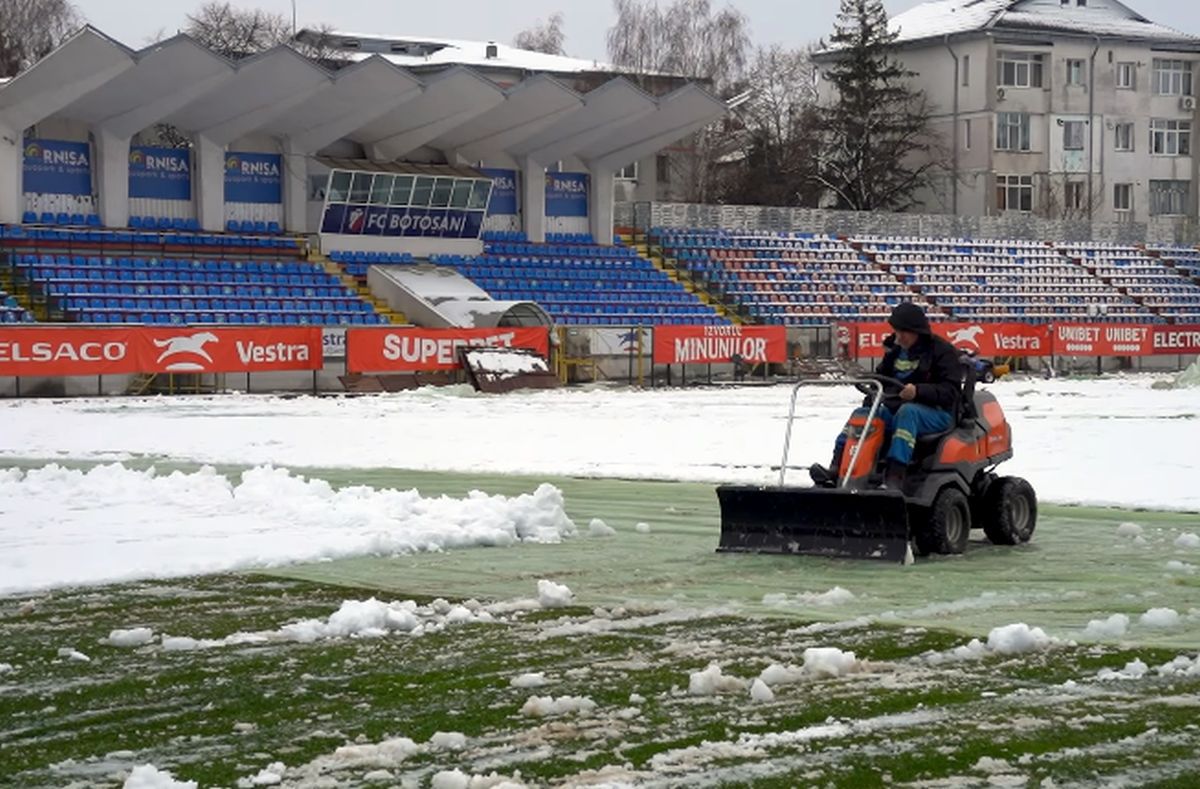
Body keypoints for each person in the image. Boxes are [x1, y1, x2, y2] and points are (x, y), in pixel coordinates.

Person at [810, 302, 962, 490]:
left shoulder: (942, 351)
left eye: (903, 332)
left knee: (908, 412)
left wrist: (919, 391)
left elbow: (951, 392)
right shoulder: (895, 352)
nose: (899, 337)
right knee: (861, 414)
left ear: (917, 331)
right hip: (898, 409)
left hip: (938, 413)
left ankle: (894, 476)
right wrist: (871, 400)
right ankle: (838, 467)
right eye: (897, 331)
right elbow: (882, 379)